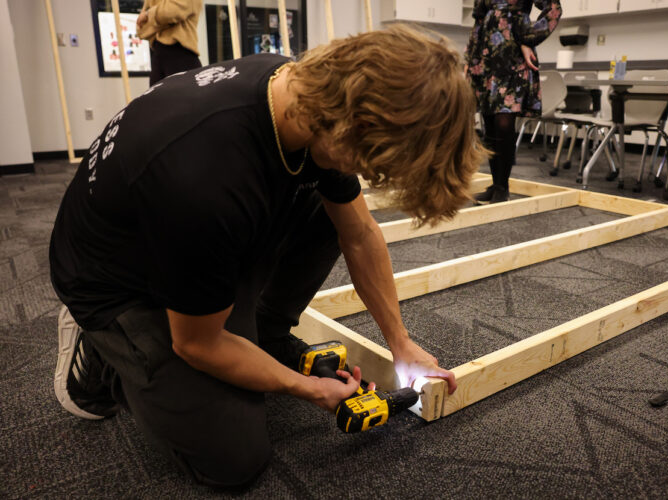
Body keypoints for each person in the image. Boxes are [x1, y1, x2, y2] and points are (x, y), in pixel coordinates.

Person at [49, 25, 483, 488]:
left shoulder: (306, 94)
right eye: (368, 162)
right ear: (350, 125)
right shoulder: (206, 178)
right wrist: (307, 387)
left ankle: (266, 338)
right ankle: (103, 349)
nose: (363, 173)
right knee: (234, 459)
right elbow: (196, 344)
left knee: (330, 206)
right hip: (118, 282)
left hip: (196, 243)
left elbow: (359, 234)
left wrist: (400, 341)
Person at [465, 0, 561, 204]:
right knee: (489, 123)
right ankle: (495, 184)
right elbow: (479, 21)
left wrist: (528, 38)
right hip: (486, 57)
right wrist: (469, 60)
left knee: (504, 122)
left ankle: (503, 187)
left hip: (514, 56)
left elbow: (553, 9)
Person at [136, 0, 203, 86]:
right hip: (158, 55)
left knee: (184, 96)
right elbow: (141, 28)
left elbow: (170, 12)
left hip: (181, 53)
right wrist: (158, 17)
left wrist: (148, 14)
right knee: (156, 98)